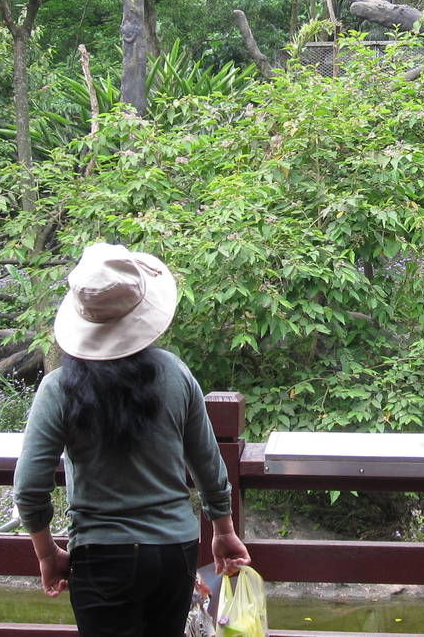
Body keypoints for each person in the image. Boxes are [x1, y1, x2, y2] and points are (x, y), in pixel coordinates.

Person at [14, 243, 251, 637]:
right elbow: (208, 464)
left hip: (101, 555)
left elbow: (28, 488)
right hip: (175, 550)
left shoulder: (59, 388)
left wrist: (46, 553)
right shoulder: (175, 373)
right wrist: (224, 532)